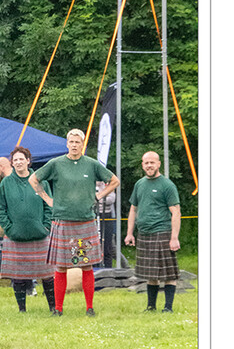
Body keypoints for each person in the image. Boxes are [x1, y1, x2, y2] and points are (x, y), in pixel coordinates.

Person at [29, 129, 119, 317]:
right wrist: (47, 199)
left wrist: (98, 196)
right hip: (62, 220)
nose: (74, 145)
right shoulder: (56, 164)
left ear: (82, 144)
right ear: (67, 143)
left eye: (78, 142)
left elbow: (114, 181)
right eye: (71, 141)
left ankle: (89, 308)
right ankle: (58, 309)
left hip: (85, 221)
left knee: (86, 265)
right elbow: (34, 179)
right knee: (61, 266)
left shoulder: (92, 164)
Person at [0, 147, 56, 312]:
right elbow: (0, 208)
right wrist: (9, 228)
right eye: (15, 160)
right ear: (12, 163)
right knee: (18, 276)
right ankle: (22, 309)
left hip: (40, 234)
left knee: (48, 275)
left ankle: (53, 308)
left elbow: (49, 204)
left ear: (28, 161)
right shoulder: (6, 183)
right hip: (15, 236)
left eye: (21, 159)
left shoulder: (38, 181)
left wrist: (46, 226)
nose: (18, 162)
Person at [124, 151, 181, 313]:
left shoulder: (167, 185)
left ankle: (168, 308)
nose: (149, 165)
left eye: (152, 162)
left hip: (162, 232)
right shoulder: (139, 184)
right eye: (146, 163)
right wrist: (129, 233)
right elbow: (133, 209)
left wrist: (174, 238)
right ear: (142, 165)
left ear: (158, 164)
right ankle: (151, 307)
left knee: (168, 274)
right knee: (151, 274)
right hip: (144, 233)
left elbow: (176, 212)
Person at [96, 180, 116, 268]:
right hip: (94, 215)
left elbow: (111, 199)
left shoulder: (108, 183)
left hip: (107, 216)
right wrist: (103, 196)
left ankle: (109, 269)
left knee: (108, 247)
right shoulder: (89, 182)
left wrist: (97, 198)